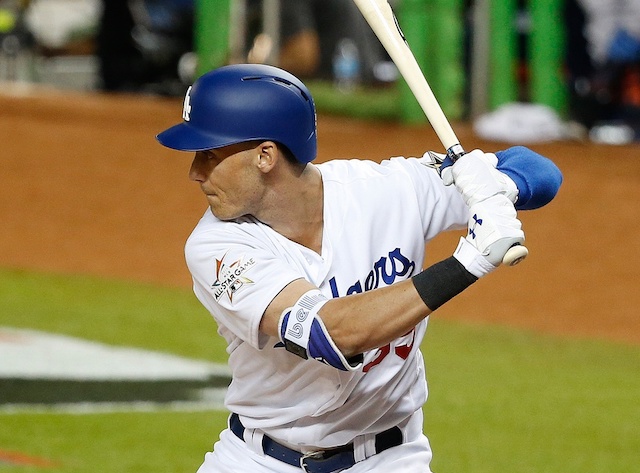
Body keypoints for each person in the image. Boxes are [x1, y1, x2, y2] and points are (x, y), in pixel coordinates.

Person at [156, 64, 562, 473]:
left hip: (388, 460)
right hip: (258, 461)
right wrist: (468, 263)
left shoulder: (386, 190)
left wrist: (498, 188)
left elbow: (540, 171)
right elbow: (333, 333)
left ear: (265, 155)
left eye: (209, 154)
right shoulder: (217, 246)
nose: (195, 172)